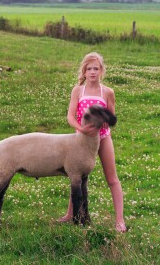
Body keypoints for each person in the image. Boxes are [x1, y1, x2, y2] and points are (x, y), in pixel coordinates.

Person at [57, 52, 127, 232]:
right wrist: (81, 129)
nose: (93, 72)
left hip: (102, 137)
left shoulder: (108, 92)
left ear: (101, 71)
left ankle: (120, 221)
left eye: (96, 68)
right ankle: (70, 214)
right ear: (84, 71)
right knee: (76, 176)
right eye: (89, 69)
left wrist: (104, 123)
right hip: (81, 139)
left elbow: (111, 117)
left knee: (112, 178)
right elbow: (70, 116)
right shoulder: (78, 90)